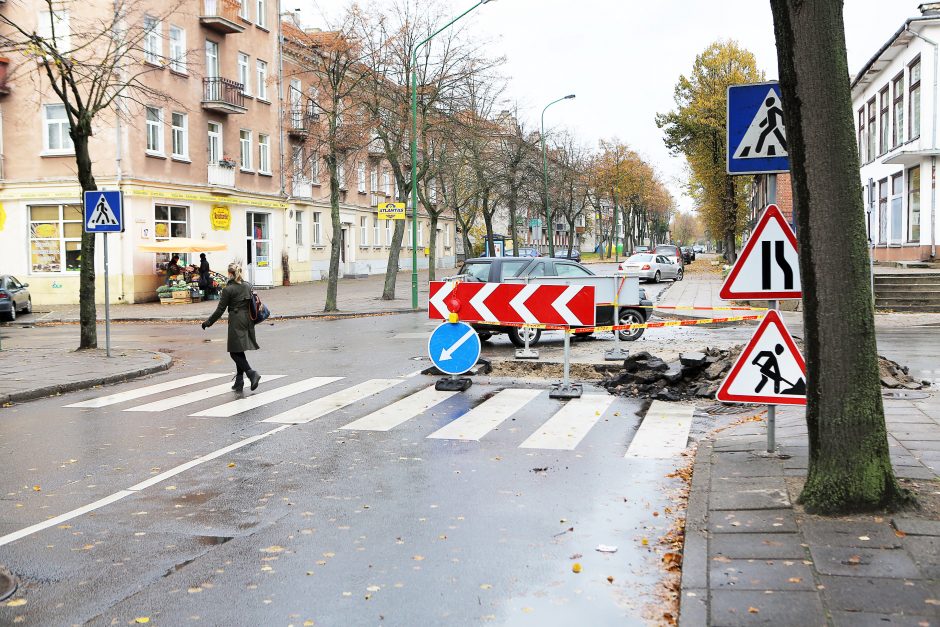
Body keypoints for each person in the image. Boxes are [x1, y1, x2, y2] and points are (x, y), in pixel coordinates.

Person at [201, 262, 261, 392]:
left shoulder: (228, 290)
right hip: (248, 320)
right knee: (239, 350)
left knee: (234, 352)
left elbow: (220, 310)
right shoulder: (247, 285)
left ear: (230, 274)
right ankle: (239, 381)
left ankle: (252, 374)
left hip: (236, 320)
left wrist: (208, 322)